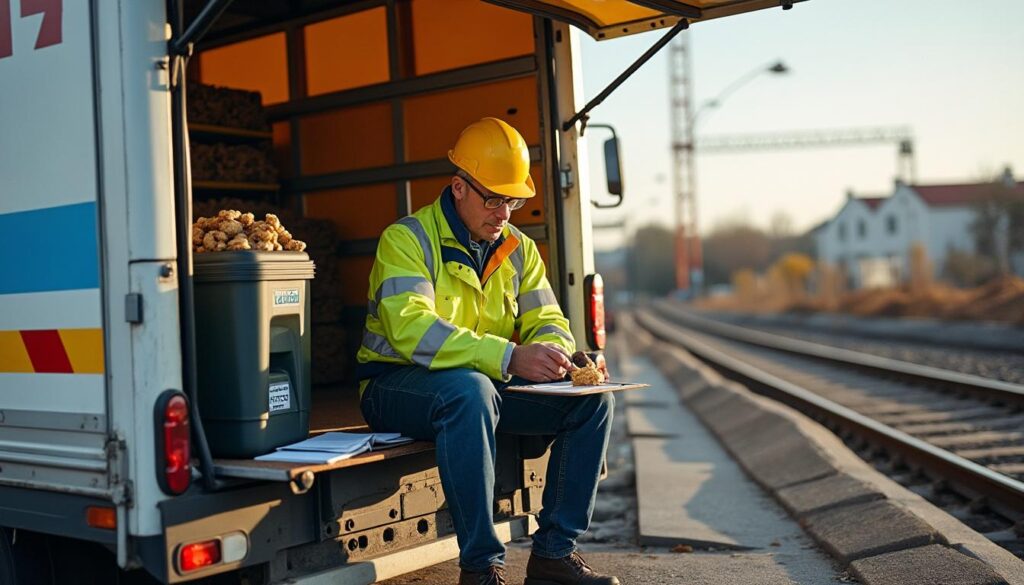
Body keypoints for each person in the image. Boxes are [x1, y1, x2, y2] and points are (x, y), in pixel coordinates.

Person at [355, 118, 619, 585]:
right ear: (458, 188)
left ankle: (554, 556)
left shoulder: (518, 249)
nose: (504, 213)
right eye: (493, 199)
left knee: (593, 402)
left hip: (482, 382)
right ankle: (481, 569)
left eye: (513, 201)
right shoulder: (407, 239)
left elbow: (549, 319)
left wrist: (561, 356)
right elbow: (411, 330)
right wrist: (509, 357)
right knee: (471, 390)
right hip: (392, 386)